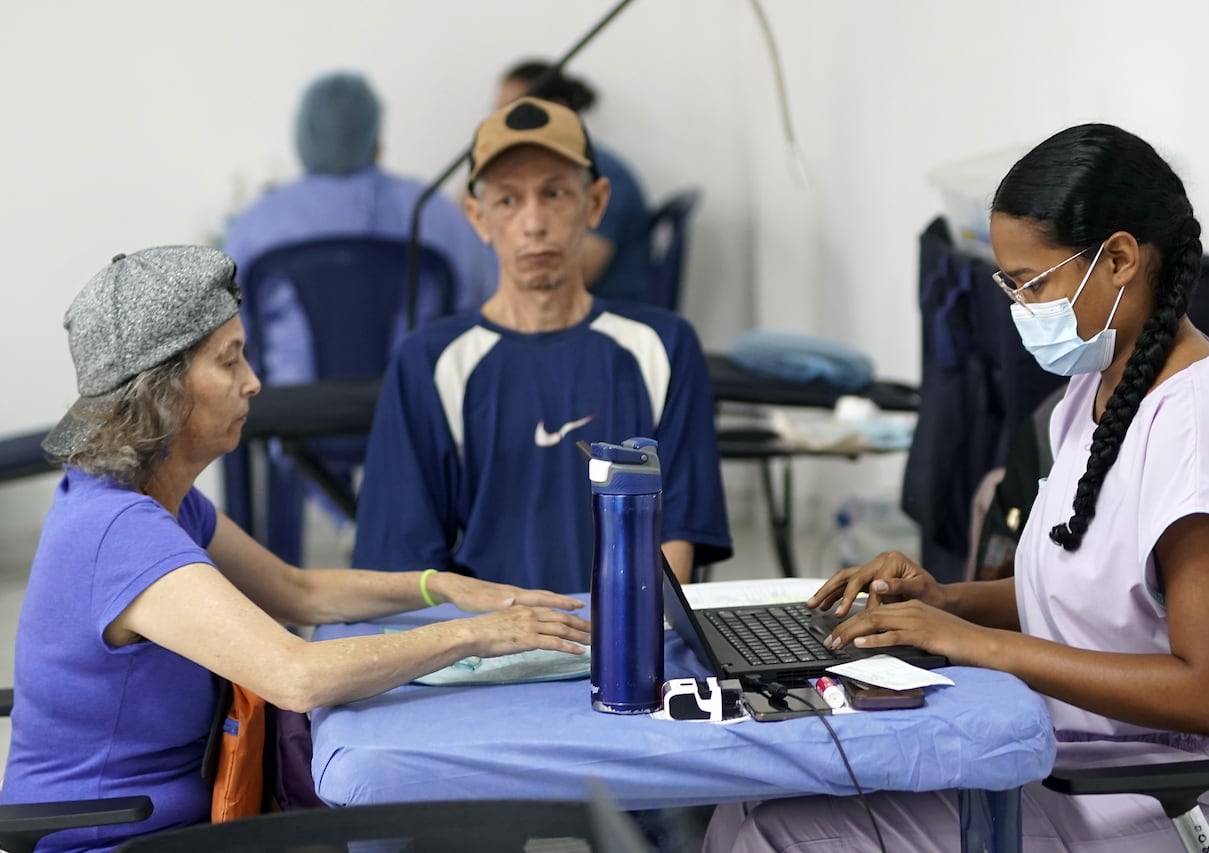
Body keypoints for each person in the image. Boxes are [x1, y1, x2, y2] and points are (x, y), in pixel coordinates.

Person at [705, 124, 1209, 851]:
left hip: (1188, 788)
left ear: (1121, 259)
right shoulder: (1096, 389)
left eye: (1034, 282)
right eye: (1009, 283)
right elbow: (1084, 594)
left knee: (791, 836)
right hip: (1081, 753)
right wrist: (941, 601)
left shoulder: (1199, 430)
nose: (1021, 306)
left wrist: (977, 644)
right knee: (755, 804)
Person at [0, 247, 589, 853]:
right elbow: (296, 677)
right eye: (229, 362)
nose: (253, 380)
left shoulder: (158, 500)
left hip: (194, 821)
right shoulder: (120, 530)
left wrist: (442, 586)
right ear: (163, 394)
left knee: (445, 825)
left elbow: (297, 590)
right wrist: (477, 634)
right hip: (114, 840)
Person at [352, 96, 731, 591]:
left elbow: (676, 541)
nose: (534, 223)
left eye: (554, 194)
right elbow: (403, 569)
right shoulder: (429, 362)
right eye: (508, 200)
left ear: (595, 203)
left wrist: (626, 644)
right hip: (485, 651)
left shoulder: (662, 347)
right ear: (478, 217)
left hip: (625, 644)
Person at [223, 70, 494, 385]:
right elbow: (486, 310)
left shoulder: (258, 224)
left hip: (290, 420)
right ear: (377, 135)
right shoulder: (432, 211)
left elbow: (227, 340)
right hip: (415, 415)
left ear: (302, 134)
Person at [493, 61, 654, 305]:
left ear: (558, 109)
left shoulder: (602, 174)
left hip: (601, 315)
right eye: (498, 113)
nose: (501, 126)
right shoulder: (513, 174)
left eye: (514, 112)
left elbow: (580, 270)